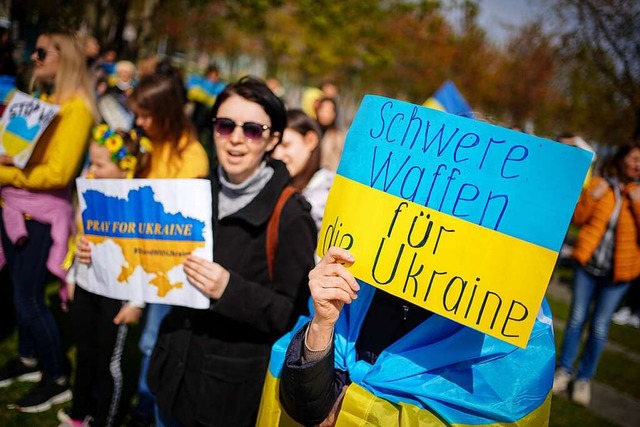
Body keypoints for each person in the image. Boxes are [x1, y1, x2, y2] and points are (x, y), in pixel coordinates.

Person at [146, 76, 317, 427]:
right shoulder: (191, 193)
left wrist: (229, 289)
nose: (237, 138)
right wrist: (107, 253)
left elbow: (293, 314)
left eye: (252, 129)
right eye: (226, 126)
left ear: (272, 140)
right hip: (171, 377)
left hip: (226, 398)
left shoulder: (290, 214)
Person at [264, 246, 555, 426]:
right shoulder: (356, 280)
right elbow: (304, 408)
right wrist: (322, 327)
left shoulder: (512, 315)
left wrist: (351, 408)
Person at [0, 32, 98, 413]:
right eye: (34, 50)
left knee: (28, 299)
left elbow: (57, 173)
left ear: (66, 59)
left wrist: (6, 175)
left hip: (40, 215)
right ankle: (27, 359)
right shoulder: (37, 102)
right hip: (14, 208)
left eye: (42, 52)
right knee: (17, 291)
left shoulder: (76, 109)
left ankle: (56, 377)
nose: (34, 58)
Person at [125, 72, 210, 427]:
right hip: (135, 250)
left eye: (146, 116)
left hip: (167, 262)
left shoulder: (192, 157)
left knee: (152, 337)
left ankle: (147, 406)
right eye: (137, 115)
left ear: (166, 112)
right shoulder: (145, 143)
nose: (139, 123)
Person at [57, 126, 151, 427]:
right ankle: (78, 413)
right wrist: (73, 276)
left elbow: (146, 258)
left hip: (118, 293)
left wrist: (136, 301)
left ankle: (104, 419)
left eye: (99, 165)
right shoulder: (91, 193)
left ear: (124, 168)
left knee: (107, 361)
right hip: (86, 285)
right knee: (84, 352)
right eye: (90, 163)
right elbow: (80, 239)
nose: (91, 171)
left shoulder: (138, 205)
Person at [553, 143, 640, 406]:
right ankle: (564, 372)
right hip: (587, 267)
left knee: (600, 328)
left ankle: (584, 379)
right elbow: (578, 218)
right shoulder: (601, 184)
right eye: (635, 158)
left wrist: (637, 202)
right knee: (576, 320)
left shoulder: (639, 193)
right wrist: (593, 196)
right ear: (622, 159)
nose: (639, 164)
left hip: (618, 276)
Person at [272, 108, 334, 232]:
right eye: (274, 147)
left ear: (310, 141)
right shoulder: (275, 185)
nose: (277, 154)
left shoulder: (333, 191)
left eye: (286, 145)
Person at [314, 97, 346, 172]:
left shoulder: (338, 137)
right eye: (323, 110)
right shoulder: (311, 130)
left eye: (329, 111)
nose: (325, 114)